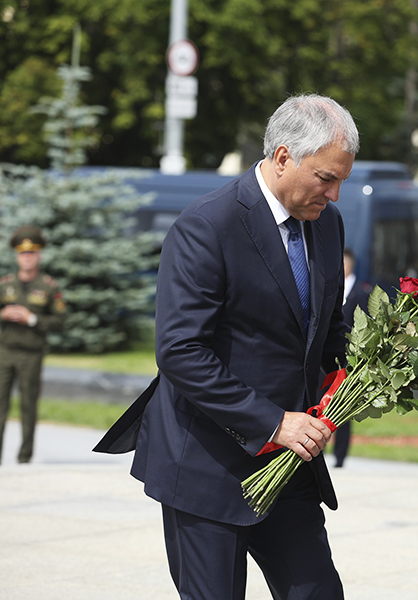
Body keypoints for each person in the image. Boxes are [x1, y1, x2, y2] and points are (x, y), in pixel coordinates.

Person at [101, 94, 358, 600]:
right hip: (206, 466)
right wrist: (273, 422)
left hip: (288, 469)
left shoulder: (326, 224)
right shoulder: (208, 226)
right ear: (283, 157)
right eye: (326, 178)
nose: (334, 194)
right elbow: (180, 351)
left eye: (342, 181)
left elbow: (326, 330)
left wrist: (373, 371)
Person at [0, 226, 66, 464]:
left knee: (28, 407)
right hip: (4, 352)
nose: (27, 257)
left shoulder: (49, 286)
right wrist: (4, 314)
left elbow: (60, 321)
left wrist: (33, 319)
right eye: (22, 253)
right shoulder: (5, 284)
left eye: (32, 253)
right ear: (17, 256)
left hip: (31, 354)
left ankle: (24, 458)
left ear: (39, 255)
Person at [332, 248, 372, 468]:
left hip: (349, 359)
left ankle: (340, 457)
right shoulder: (328, 287)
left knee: (343, 409)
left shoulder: (362, 291)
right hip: (326, 360)